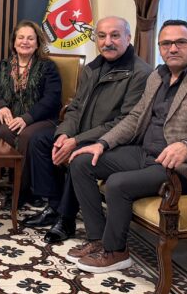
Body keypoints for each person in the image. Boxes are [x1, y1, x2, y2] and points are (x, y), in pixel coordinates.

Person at [67, 19, 187, 273]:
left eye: (181, 42)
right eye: (166, 43)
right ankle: (98, 239)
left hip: (183, 165)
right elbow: (135, 117)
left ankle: (116, 252)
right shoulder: (158, 75)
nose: (173, 48)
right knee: (82, 162)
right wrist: (102, 143)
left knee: (117, 183)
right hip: (146, 153)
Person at [22, 16, 151, 242]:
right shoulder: (93, 67)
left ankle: (66, 218)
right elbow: (75, 108)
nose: (107, 42)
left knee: (77, 154)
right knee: (41, 140)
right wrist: (64, 134)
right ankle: (54, 205)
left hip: (112, 140)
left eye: (115, 35)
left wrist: (76, 140)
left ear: (128, 38)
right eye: (101, 36)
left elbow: (125, 122)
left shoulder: (141, 73)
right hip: (82, 132)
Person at [0, 20, 62, 206]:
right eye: (21, 37)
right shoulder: (4, 66)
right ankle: (31, 187)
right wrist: (0, 105)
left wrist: (27, 118)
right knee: (5, 130)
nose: (25, 42)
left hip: (42, 119)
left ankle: (20, 191)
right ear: (14, 42)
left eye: (30, 38)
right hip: (13, 119)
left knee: (26, 136)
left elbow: (52, 99)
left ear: (37, 43)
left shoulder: (47, 67)